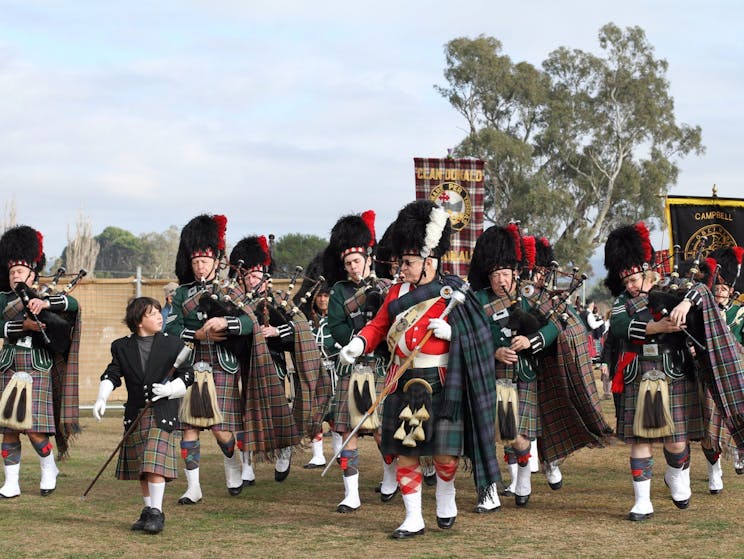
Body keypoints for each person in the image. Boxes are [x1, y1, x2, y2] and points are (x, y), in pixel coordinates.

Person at [339, 200, 500, 538]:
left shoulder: (452, 292)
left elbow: (482, 336)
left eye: (408, 262)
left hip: (441, 380)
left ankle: (446, 493)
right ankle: (413, 517)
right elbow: (379, 327)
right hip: (403, 380)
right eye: (400, 261)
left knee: (444, 456)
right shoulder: (395, 292)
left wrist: (454, 333)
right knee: (405, 453)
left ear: (430, 260)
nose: (402, 268)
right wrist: (359, 344)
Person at [603, 222, 705, 521]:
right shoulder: (623, 302)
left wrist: (685, 303)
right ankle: (642, 502)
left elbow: (701, 291)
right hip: (639, 372)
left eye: (634, 279)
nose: (631, 285)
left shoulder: (672, 287)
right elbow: (620, 326)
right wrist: (657, 327)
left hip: (671, 369)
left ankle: (675, 474)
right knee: (640, 440)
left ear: (646, 271)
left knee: (676, 440)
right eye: (626, 281)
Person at [165, 214, 254, 503]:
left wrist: (226, 326)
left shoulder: (231, 291)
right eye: (195, 261)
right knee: (188, 427)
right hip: (191, 363)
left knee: (221, 429)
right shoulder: (181, 294)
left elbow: (249, 322)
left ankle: (232, 462)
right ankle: (193, 487)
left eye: (204, 261)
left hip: (223, 365)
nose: (199, 266)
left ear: (217, 261)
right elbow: (173, 327)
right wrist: (201, 333)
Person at [228, 236, 326, 484]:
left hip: (275, 365)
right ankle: (247, 466)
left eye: (257, 275)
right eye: (248, 276)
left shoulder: (281, 299)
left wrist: (275, 332)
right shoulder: (237, 302)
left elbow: (300, 328)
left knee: (281, 413)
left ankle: (284, 452)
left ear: (266, 275)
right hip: (246, 366)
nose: (252, 280)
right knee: (247, 416)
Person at [92, 296, 194, 534]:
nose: (160, 316)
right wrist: (101, 397)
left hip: (163, 412)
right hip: (135, 412)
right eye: (152, 313)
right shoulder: (121, 346)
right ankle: (148, 511)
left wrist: (170, 389)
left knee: (153, 462)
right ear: (139, 320)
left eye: (160, 312)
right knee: (143, 469)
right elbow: (112, 373)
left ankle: (157, 513)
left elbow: (188, 375)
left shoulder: (173, 343)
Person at [323, 210, 396, 513]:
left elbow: (392, 325)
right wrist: (357, 335)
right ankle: (351, 494)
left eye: (356, 261)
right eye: (347, 263)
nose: (352, 268)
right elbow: (337, 326)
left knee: (380, 429)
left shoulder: (388, 286)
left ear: (369, 257)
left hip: (378, 365)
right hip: (351, 366)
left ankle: (390, 476)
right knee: (343, 429)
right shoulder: (340, 291)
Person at [0, 225, 81, 499]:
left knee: (35, 430)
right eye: (11, 272)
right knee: (9, 429)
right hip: (9, 366)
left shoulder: (45, 296)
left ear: (33, 273)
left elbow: (73, 306)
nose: (15, 276)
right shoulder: (2, 299)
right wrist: (23, 326)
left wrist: (45, 305)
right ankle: (11, 483)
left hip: (38, 367)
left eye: (20, 272)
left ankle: (49, 467)